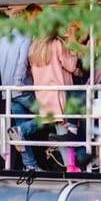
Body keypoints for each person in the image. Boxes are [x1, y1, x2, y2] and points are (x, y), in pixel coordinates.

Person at [0, 3, 42, 170]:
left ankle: (30, 165)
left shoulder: (0, 42)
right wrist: (19, 82)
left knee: (21, 127)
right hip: (22, 89)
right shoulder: (26, 38)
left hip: (7, 92)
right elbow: (22, 62)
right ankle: (21, 130)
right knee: (51, 116)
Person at [28, 32, 81, 172]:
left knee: (60, 130)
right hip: (60, 94)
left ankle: (70, 165)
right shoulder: (57, 44)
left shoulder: (34, 47)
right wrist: (73, 46)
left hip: (43, 95)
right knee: (66, 131)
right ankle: (70, 166)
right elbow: (70, 64)